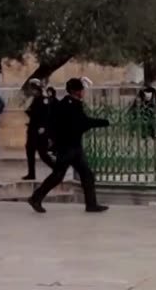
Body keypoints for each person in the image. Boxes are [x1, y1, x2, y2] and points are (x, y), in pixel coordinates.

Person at [27, 78, 110, 214]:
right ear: (75, 91)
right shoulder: (70, 105)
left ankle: (91, 204)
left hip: (74, 147)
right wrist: (104, 122)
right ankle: (36, 198)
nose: (83, 92)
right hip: (67, 148)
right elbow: (82, 123)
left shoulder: (68, 103)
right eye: (81, 90)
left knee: (86, 175)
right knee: (58, 175)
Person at [21, 82, 51, 179]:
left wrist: (43, 126)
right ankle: (31, 174)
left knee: (43, 154)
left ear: (38, 90)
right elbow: (31, 113)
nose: (32, 91)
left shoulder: (44, 100)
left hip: (40, 131)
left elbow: (47, 115)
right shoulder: (34, 100)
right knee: (30, 151)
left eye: (33, 89)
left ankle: (57, 168)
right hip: (32, 129)